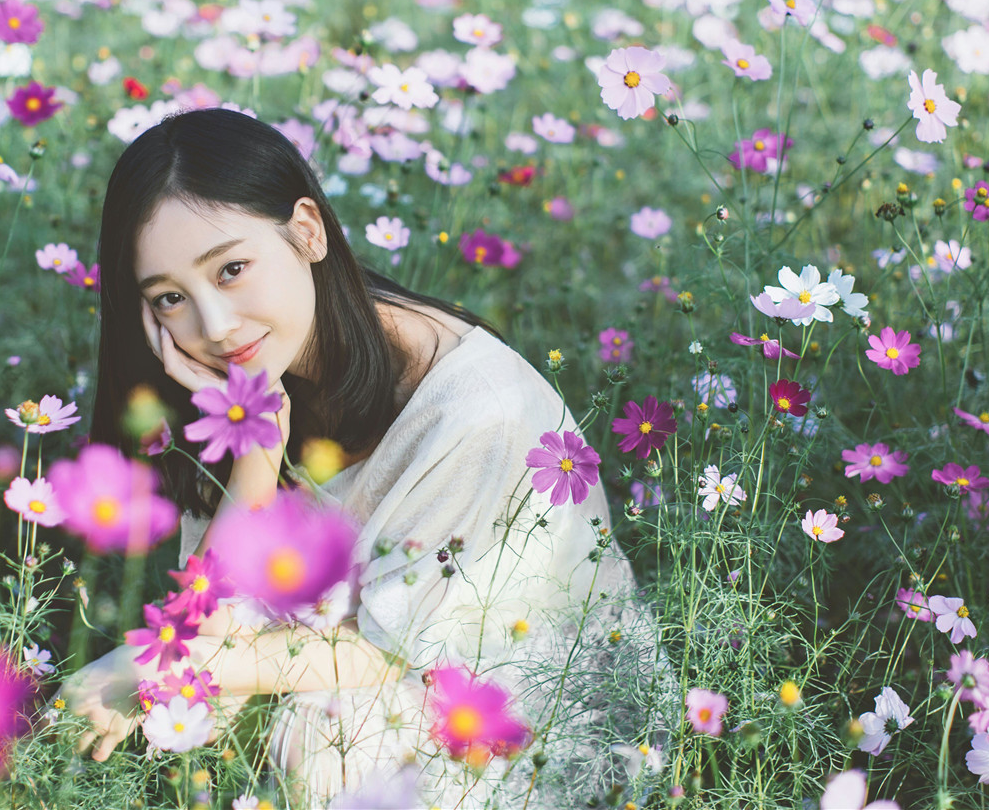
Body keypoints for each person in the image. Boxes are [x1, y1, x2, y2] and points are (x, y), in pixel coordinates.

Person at [62, 109, 649, 807]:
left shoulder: (475, 412)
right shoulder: (251, 382)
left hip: (518, 708)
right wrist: (255, 442)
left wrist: (158, 669)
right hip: (349, 643)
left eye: (233, 268)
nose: (214, 327)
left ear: (307, 231)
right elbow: (214, 614)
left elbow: (393, 649)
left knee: (324, 748)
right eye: (170, 298)